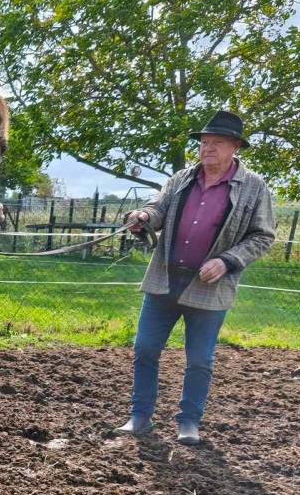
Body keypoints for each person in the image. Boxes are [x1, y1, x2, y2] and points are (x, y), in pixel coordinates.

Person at [114, 110, 276, 445]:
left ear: (235, 147)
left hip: (209, 287)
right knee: (145, 349)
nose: (207, 148)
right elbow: (158, 209)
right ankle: (139, 416)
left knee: (200, 360)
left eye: (216, 142)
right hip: (165, 281)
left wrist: (228, 261)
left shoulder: (254, 188)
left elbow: (263, 236)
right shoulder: (181, 178)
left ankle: (189, 422)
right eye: (204, 142)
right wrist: (143, 215)